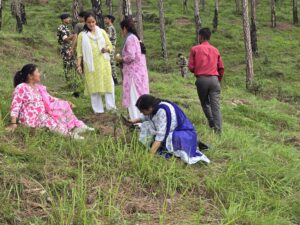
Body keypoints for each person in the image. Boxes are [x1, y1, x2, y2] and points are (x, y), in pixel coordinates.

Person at [6, 64, 94, 140]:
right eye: (38, 72)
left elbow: (50, 98)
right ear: (30, 76)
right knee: (54, 125)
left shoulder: (38, 87)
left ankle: (76, 127)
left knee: (63, 107)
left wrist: (66, 102)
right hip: (30, 119)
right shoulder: (22, 87)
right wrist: (13, 123)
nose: (39, 74)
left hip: (42, 115)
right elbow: (15, 105)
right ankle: (70, 135)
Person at [130, 95, 210, 165]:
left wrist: (149, 156)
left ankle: (192, 143)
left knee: (171, 139)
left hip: (184, 133)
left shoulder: (162, 111)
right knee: (146, 125)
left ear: (150, 108)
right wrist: (131, 121)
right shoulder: (155, 106)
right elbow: (146, 116)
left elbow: (160, 136)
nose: (141, 112)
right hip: (173, 131)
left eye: (142, 110)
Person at [76, 12, 116, 114]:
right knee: (93, 87)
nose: (91, 24)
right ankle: (98, 110)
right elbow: (79, 52)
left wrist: (106, 49)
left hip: (104, 64)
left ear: (96, 21)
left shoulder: (102, 32)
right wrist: (78, 65)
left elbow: (110, 46)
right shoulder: (82, 35)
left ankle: (111, 107)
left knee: (108, 85)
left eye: (93, 21)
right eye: (89, 22)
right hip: (90, 66)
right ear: (85, 22)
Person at [188, 28, 224, 133]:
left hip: (202, 79)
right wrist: (217, 80)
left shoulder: (195, 49)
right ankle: (218, 131)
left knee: (205, 103)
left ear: (201, 36)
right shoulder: (215, 50)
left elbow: (190, 67)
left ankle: (211, 122)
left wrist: (198, 70)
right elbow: (221, 68)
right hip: (214, 80)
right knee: (216, 106)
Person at [116, 19, 149, 121]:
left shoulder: (130, 38)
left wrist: (120, 59)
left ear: (124, 28)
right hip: (139, 73)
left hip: (133, 75)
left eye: (122, 29)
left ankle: (136, 121)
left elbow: (131, 56)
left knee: (134, 97)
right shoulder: (136, 38)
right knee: (140, 95)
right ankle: (141, 120)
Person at [57, 13, 76, 81]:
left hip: (69, 47)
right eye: (68, 18)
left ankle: (72, 78)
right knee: (67, 63)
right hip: (65, 48)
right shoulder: (61, 28)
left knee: (71, 63)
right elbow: (65, 39)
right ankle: (68, 79)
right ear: (64, 19)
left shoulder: (66, 27)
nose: (69, 19)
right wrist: (73, 36)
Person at [104, 15, 119, 85]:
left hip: (111, 47)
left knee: (111, 63)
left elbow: (108, 37)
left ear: (110, 20)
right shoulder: (110, 27)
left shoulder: (110, 28)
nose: (105, 20)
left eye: (106, 19)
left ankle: (115, 80)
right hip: (110, 47)